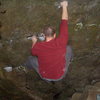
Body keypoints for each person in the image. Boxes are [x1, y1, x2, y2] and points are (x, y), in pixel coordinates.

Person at [17, 1, 73, 82]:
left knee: (31, 59)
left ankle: (25, 67)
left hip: (44, 76)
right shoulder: (61, 41)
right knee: (68, 48)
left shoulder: (38, 46)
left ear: (44, 35)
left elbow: (33, 52)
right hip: (60, 75)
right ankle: (70, 59)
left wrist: (34, 41)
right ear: (55, 35)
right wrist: (64, 6)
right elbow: (64, 22)